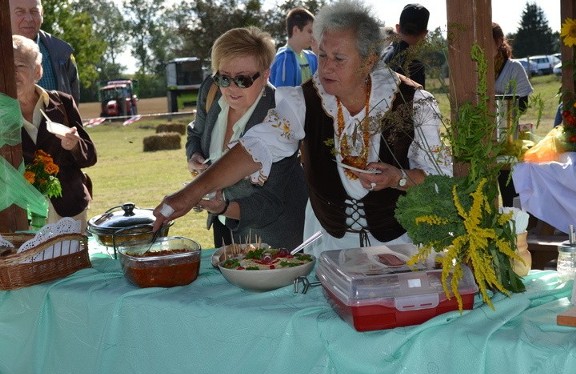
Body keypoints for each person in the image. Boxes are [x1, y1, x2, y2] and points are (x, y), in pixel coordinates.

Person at [153, 0, 452, 258]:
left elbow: (441, 181)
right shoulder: (304, 100)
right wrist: (188, 194)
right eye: (322, 55)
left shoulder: (414, 102)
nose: (326, 67)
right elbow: (254, 148)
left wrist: (399, 178)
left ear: (368, 61)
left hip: (400, 250)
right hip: (328, 250)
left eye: (338, 58)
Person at [185, 26, 308, 250]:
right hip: (223, 225)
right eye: (224, 78)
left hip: (272, 237)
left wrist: (223, 206)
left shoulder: (279, 117)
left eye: (243, 80)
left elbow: (269, 204)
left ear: (266, 74)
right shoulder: (211, 92)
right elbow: (195, 132)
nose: (231, 88)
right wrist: (194, 155)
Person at [13, 35, 96, 231]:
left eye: (20, 66)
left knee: (73, 262)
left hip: (70, 209)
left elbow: (90, 157)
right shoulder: (2, 113)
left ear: (38, 71)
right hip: (23, 216)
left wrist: (75, 145)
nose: (12, 72)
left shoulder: (63, 102)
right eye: (6, 66)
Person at [492, 23, 533, 207]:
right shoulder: (473, 67)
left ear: (499, 41)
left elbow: (523, 104)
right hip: (480, 139)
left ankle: (514, 228)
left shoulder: (514, 68)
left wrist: (502, 108)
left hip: (506, 138)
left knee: (509, 189)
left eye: (487, 41)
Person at [9, 0, 80, 104]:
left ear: (42, 14)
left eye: (34, 11)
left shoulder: (63, 53)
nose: (29, 19)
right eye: (20, 12)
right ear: (4, 14)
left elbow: (72, 107)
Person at [380, 3, 430, 87]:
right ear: (424, 34)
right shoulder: (415, 66)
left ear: (398, 28)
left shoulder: (382, 55)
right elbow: (420, 99)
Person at [269, 7, 318, 87]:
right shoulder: (284, 58)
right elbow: (283, 97)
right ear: (296, 30)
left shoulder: (312, 57)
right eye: (310, 31)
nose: (313, 36)